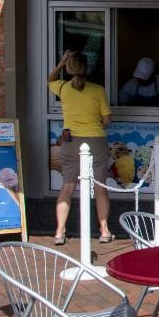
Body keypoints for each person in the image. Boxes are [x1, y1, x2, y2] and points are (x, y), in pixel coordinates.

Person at [47, 50, 114, 245]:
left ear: (69, 69)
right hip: (95, 141)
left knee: (67, 186)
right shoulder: (98, 90)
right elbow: (107, 120)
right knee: (99, 188)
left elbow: (49, 79)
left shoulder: (63, 88)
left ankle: (59, 232)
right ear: (87, 68)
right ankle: (104, 230)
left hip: (70, 141)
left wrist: (61, 62)